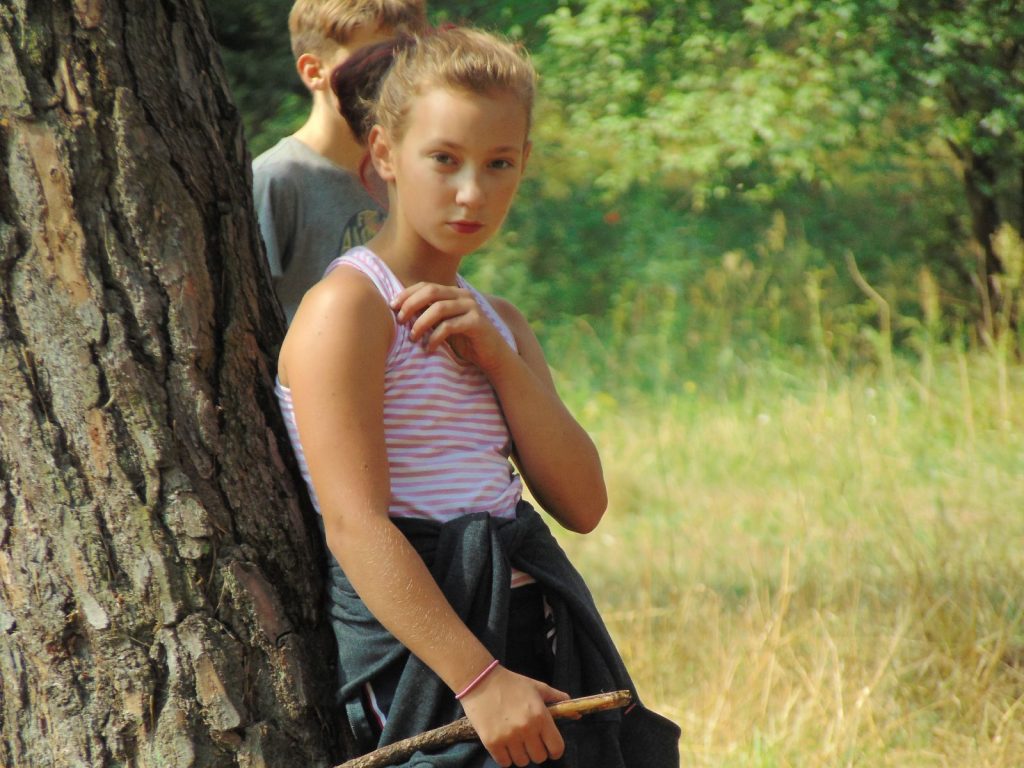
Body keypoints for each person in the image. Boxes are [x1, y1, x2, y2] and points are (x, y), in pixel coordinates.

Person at [276, 27, 681, 767]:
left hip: (538, 625)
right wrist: (480, 680)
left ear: (523, 163)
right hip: (432, 646)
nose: (472, 192)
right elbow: (355, 526)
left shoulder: (502, 323)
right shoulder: (351, 306)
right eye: (444, 159)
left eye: (499, 164)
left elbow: (583, 503)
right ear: (386, 154)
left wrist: (498, 358)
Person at [252, 0, 427, 322]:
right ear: (314, 71)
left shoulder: (409, 179)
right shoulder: (277, 179)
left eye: (404, 62)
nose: (393, 80)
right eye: (374, 62)